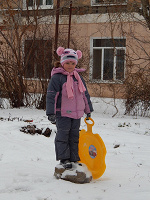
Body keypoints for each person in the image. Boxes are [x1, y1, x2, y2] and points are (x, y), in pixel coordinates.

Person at [46, 47, 93, 169]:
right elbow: (51, 96)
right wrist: (50, 113)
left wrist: (88, 110)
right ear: (62, 63)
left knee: (74, 137)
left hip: (77, 114)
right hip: (62, 113)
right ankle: (64, 159)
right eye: (67, 63)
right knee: (63, 136)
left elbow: (84, 95)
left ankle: (73, 158)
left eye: (73, 63)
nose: (70, 65)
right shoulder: (57, 78)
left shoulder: (78, 77)